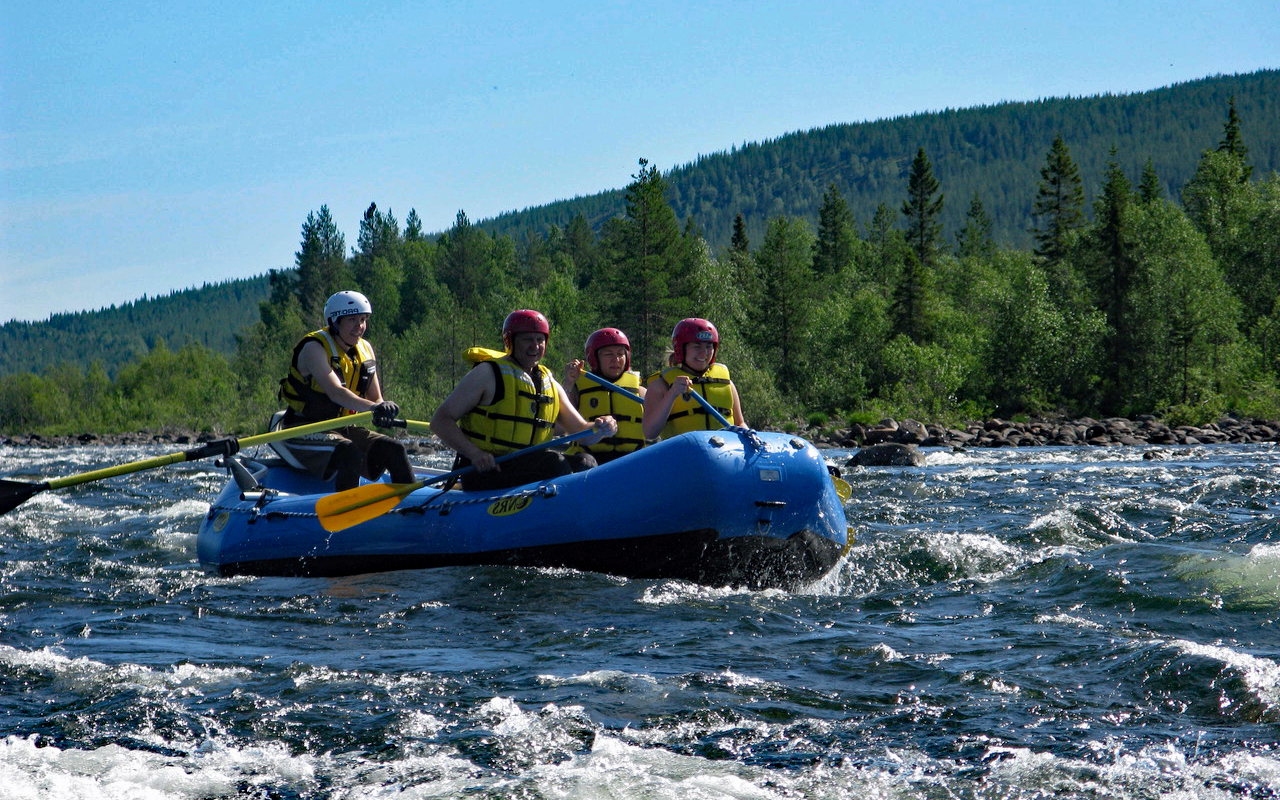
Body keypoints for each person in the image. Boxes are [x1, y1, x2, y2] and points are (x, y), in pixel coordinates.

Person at [430, 309, 618, 491]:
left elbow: (583, 433)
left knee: (586, 462)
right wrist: (475, 453)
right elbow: (440, 421)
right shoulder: (487, 374)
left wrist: (601, 427)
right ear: (510, 342)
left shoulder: (549, 383)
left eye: (540, 340)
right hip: (488, 470)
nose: (535, 346)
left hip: (530, 469)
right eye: (527, 339)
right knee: (554, 463)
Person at [274, 290, 413, 491]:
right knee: (349, 452)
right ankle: (347, 512)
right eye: (353, 320)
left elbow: (375, 398)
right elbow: (336, 393)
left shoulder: (365, 349)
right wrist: (374, 408)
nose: (360, 326)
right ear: (335, 322)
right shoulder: (314, 348)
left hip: (342, 426)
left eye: (363, 319)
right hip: (303, 428)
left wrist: (382, 408)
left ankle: (412, 510)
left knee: (395, 449)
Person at [642, 317, 746, 440]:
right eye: (697, 346)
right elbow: (650, 433)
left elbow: (740, 424)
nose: (704, 353)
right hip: (684, 456)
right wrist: (672, 394)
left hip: (723, 456)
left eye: (708, 346)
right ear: (681, 348)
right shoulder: (660, 386)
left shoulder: (727, 384)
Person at [563, 327, 647, 464]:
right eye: (608, 354)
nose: (616, 359)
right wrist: (568, 383)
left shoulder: (640, 391)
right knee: (585, 462)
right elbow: (558, 428)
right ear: (595, 358)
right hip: (590, 461)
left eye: (620, 354)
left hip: (631, 460)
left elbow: (655, 430)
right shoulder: (577, 389)